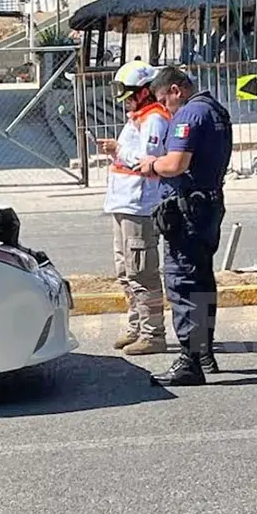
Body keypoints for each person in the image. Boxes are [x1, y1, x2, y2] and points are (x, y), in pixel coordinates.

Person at [137, 64, 233, 386]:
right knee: (202, 279)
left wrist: (152, 164)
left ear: (176, 90)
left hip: (188, 211)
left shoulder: (189, 115)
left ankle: (189, 360)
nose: (164, 108)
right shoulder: (215, 110)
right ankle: (204, 353)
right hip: (208, 205)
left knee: (183, 282)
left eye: (165, 100)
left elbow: (176, 163)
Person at [95, 60, 169, 355]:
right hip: (124, 203)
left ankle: (154, 334)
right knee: (125, 270)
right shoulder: (138, 116)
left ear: (144, 91)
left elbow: (146, 160)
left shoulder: (154, 118)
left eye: (129, 94)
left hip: (140, 205)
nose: (126, 100)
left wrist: (117, 150)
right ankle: (137, 325)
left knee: (143, 272)